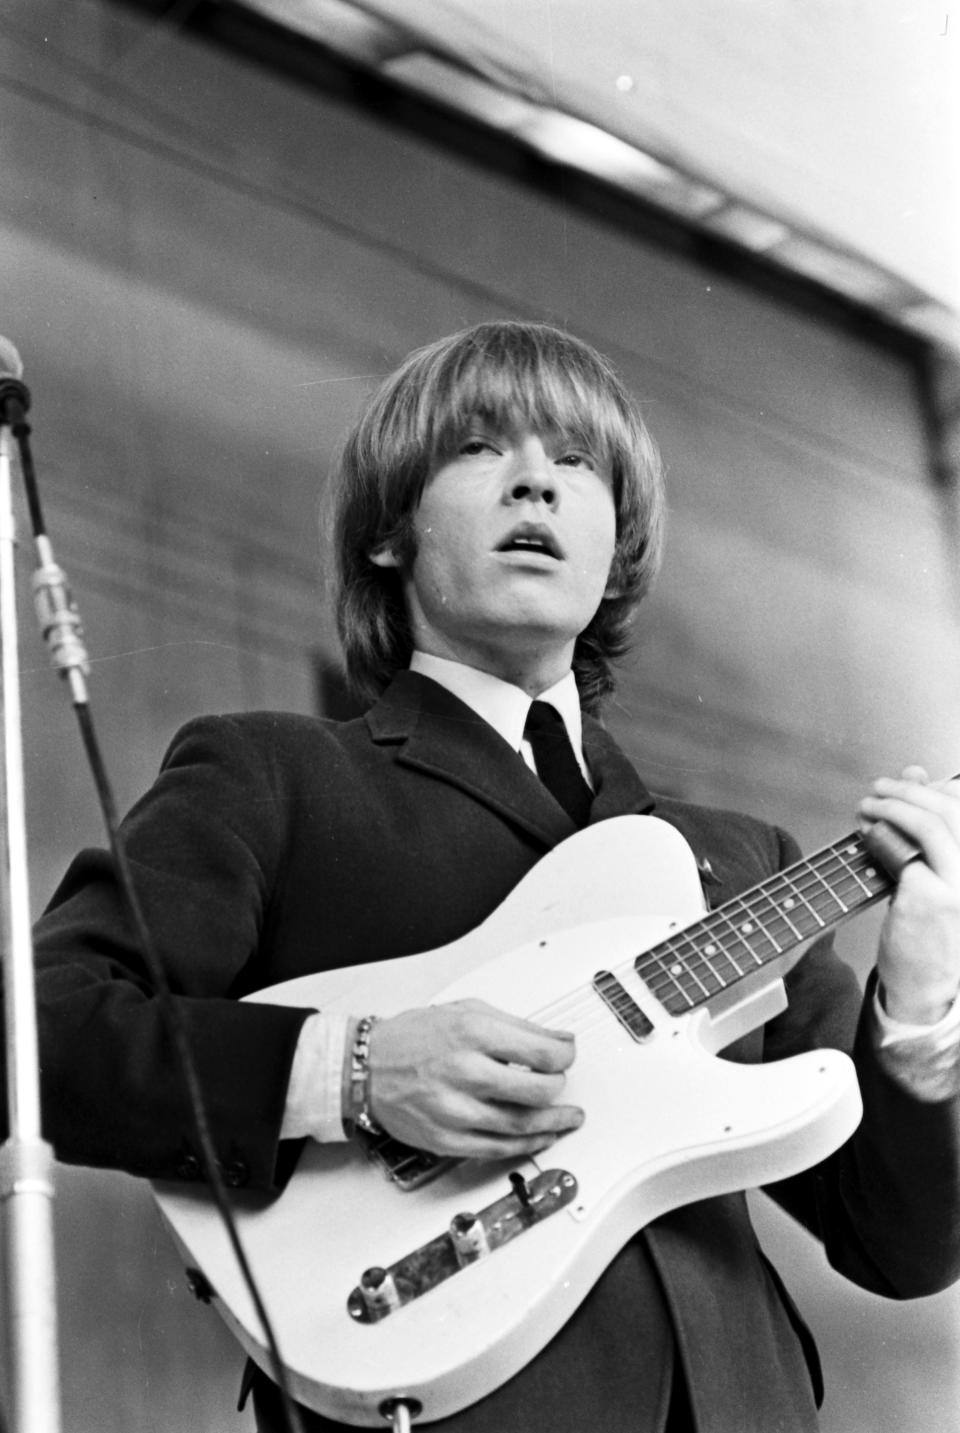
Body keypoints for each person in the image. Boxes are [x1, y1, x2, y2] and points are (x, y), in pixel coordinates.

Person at [11, 321, 960, 1433]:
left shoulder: (740, 857)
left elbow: (900, 1243)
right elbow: (39, 1032)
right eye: (478, 449)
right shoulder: (272, 773)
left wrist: (921, 1012)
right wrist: (352, 1068)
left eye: (576, 462)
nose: (536, 486)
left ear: (620, 544)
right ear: (387, 534)